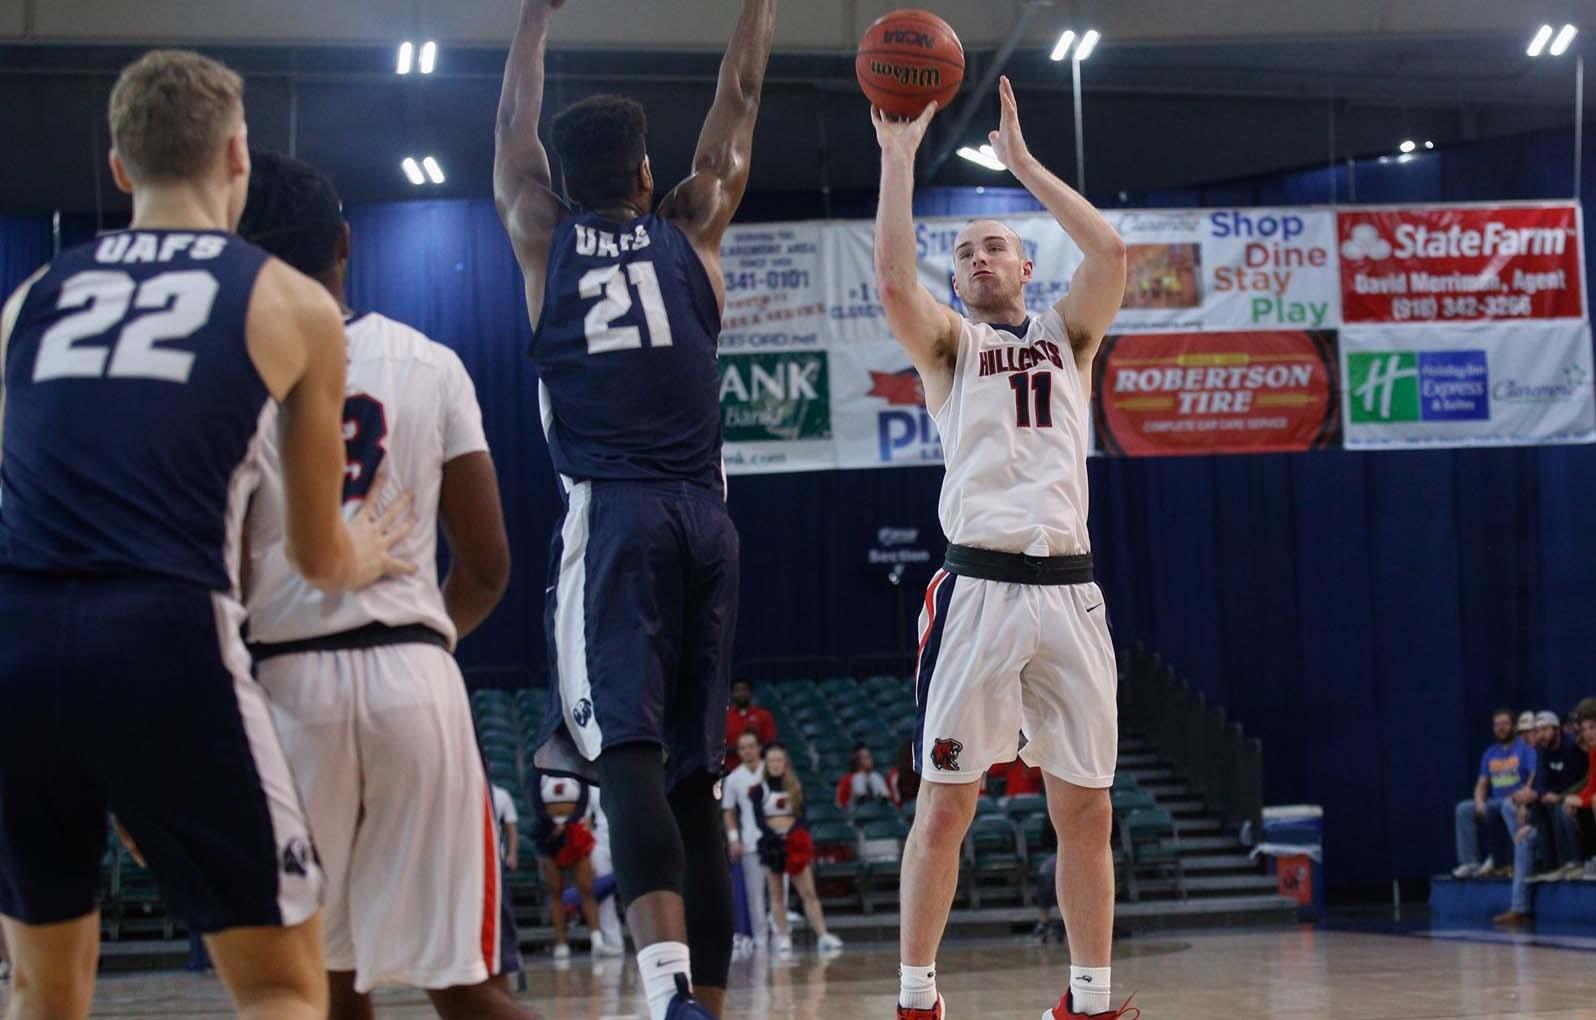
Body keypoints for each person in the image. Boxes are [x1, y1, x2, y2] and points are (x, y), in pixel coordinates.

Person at [0, 49, 414, 1020]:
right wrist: (375, 552)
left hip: (13, 637)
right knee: (279, 983)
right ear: (237, 155)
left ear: (117, 167)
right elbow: (317, 556)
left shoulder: (25, 303)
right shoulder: (294, 302)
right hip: (159, 632)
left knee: (40, 986)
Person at [494, 1, 775, 1016]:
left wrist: (533, 19)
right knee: (694, 783)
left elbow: (511, 135)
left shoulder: (539, 232)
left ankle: (665, 997)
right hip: (708, 519)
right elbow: (735, 103)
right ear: (648, 173)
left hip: (614, 518)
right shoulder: (695, 223)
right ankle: (702, 995)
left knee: (628, 760)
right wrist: (759, 6)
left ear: (560, 184)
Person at [237, 151, 529, 1020]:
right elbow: (487, 567)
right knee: (467, 988)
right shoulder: (429, 360)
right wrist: (409, 637)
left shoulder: (227, 376)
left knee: (317, 988)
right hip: (414, 679)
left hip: (288, 687)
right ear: (344, 243)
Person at [870, 77, 1130, 1020]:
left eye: (996, 245)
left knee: (1086, 808)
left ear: (1026, 266)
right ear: (961, 282)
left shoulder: (1073, 336)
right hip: (977, 590)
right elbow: (896, 283)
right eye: (967, 252)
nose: (981, 257)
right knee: (946, 803)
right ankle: (916, 999)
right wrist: (899, 160)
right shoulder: (951, 349)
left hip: (1070, 591)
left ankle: (1091, 1000)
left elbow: (1109, 248)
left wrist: (1023, 166)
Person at [748, 745, 845, 956]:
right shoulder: (759, 790)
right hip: (772, 845)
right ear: (767, 764)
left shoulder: (795, 787)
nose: (775, 764)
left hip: (794, 844)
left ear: (785, 763)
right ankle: (783, 937)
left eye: (779, 760)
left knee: (808, 893)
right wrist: (774, 836)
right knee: (776, 894)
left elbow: (802, 816)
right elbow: (758, 820)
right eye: (771, 760)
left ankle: (822, 934)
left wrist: (793, 832)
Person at [528, 769, 612, 960]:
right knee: (555, 890)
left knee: (586, 888)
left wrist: (567, 824)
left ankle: (597, 940)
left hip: (574, 832)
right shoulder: (541, 772)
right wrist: (552, 824)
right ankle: (560, 942)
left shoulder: (574, 768)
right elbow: (536, 802)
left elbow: (582, 801)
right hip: (550, 835)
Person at [1454, 709, 1537, 880]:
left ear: (1513, 726)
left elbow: (1533, 777)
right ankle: (1470, 863)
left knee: (1506, 806)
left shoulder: (1525, 748)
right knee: (1463, 809)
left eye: (1505, 724)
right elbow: (1482, 783)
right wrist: (1478, 801)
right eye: (1497, 725)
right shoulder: (1490, 752)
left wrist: (1524, 801)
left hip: (1515, 801)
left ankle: (1511, 862)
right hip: (1495, 802)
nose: (1501, 728)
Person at [1526, 710, 1588, 878]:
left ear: (1557, 729)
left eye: (1545, 730)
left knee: (1558, 806)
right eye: (1538, 731)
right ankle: (1549, 865)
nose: (1541, 735)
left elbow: (1579, 780)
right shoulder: (1542, 749)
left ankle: (1572, 861)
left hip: (1576, 793)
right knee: (1538, 806)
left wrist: (1558, 796)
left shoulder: (1572, 748)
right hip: (1557, 793)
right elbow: (1541, 779)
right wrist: (1543, 793)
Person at [722, 730, 768, 951]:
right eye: (743, 747)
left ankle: (782, 937)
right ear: (738, 751)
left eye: (751, 746)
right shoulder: (733, 778)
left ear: (759, 747)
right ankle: (761, 940)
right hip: (751, 842)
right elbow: (729, 811)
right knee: (755, 895)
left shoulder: (772, 770)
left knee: (781, 893)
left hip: (777, 840)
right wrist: (733, 839)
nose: (748, 750)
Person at [1562, 699, 1596, 879]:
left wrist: (1582, 799)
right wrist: (1575, 799)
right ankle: (1590, 857)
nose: (1588, 734)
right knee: (1571, 806)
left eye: (1592, 727)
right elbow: (1592, 784)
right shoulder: (1593, 750)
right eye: (1584, 730)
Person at [726, 679, 778, 769]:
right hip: (731, 769)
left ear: (750, 692)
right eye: (737, 690)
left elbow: (770, 743)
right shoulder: (724, 718)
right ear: (732, 694)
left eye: (744, 689)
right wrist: (742, 750)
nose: (741, 693)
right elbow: (719, 749)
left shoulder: (764, 715)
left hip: (758, 769)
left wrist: (749, 751)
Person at [888, 742, 920, 808]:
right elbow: (895, 800)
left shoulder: (920, 771)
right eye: (911, 757)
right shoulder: (895, 774)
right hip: (903, 808)